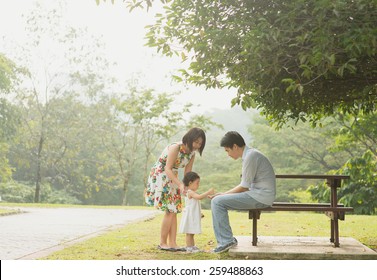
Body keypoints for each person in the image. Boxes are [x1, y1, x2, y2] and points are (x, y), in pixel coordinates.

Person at [209, 131, 276, 253]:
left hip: (261, 197)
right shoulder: (250, 155)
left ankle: (226, 241)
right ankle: (226, 240)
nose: (227, 154)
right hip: (258, 195)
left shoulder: (251, 156)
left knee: (217, 202)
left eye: (227, 150)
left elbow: (244, 186)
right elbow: (246, 185)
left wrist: (223, 194)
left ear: (235, 146)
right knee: (217, 200)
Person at [145, 127, 206, 251]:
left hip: (174, 178)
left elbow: (187, 173)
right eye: (196, 142)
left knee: (174, 210)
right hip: (162, 175)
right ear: (189, 138)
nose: (197, 145)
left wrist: (188, 189)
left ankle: (172, 243)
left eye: (200, 143)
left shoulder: (192, 154)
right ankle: (163, 243)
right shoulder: (176, 147)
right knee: (169, 210)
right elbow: (167, 168)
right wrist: (180, 185)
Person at [179, 171, 214, 253]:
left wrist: (199, 213)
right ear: (190, 183)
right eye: (197, 183)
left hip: (192, 215)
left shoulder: (192, 192)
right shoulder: (190, 192)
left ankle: (192, 246)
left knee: (192, 231)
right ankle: (189, 247)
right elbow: (199, 197)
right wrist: (208, 192)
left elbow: (195, 205)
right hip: (189, 215)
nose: (198, 185)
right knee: (189, 232)